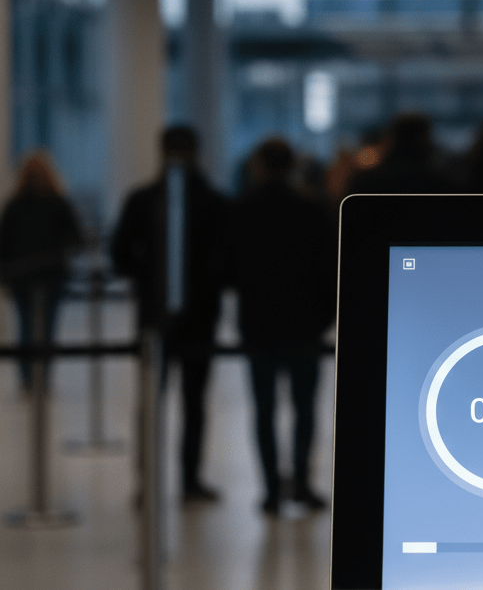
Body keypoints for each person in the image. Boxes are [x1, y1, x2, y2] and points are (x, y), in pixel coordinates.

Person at [111, 125, 229, 505]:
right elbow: (121, 255)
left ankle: (183, 480)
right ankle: (163, 482)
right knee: (159, 403)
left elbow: (122, 256)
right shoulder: (197, 201)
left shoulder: (203, 201)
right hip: (165, 321)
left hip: (183, 319)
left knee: (186, 404)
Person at [228, 138, 336, 515]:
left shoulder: (242, 210)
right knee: (305, 408)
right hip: (305, 324)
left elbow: (229, 270)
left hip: (259, 323)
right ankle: (303, 482)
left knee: (264, 410)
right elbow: (328, 270)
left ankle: (272, 489)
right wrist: (325, 316)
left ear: (258, 166)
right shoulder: (311, 210)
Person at [0, 153, 82, 393]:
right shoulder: (58, 203)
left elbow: (4, 244)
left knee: (27, 328)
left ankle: (29, 379)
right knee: (46, 328)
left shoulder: (14, 206)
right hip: (51, 274)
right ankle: (41, 377)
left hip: (23, 276)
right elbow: (75, 239)